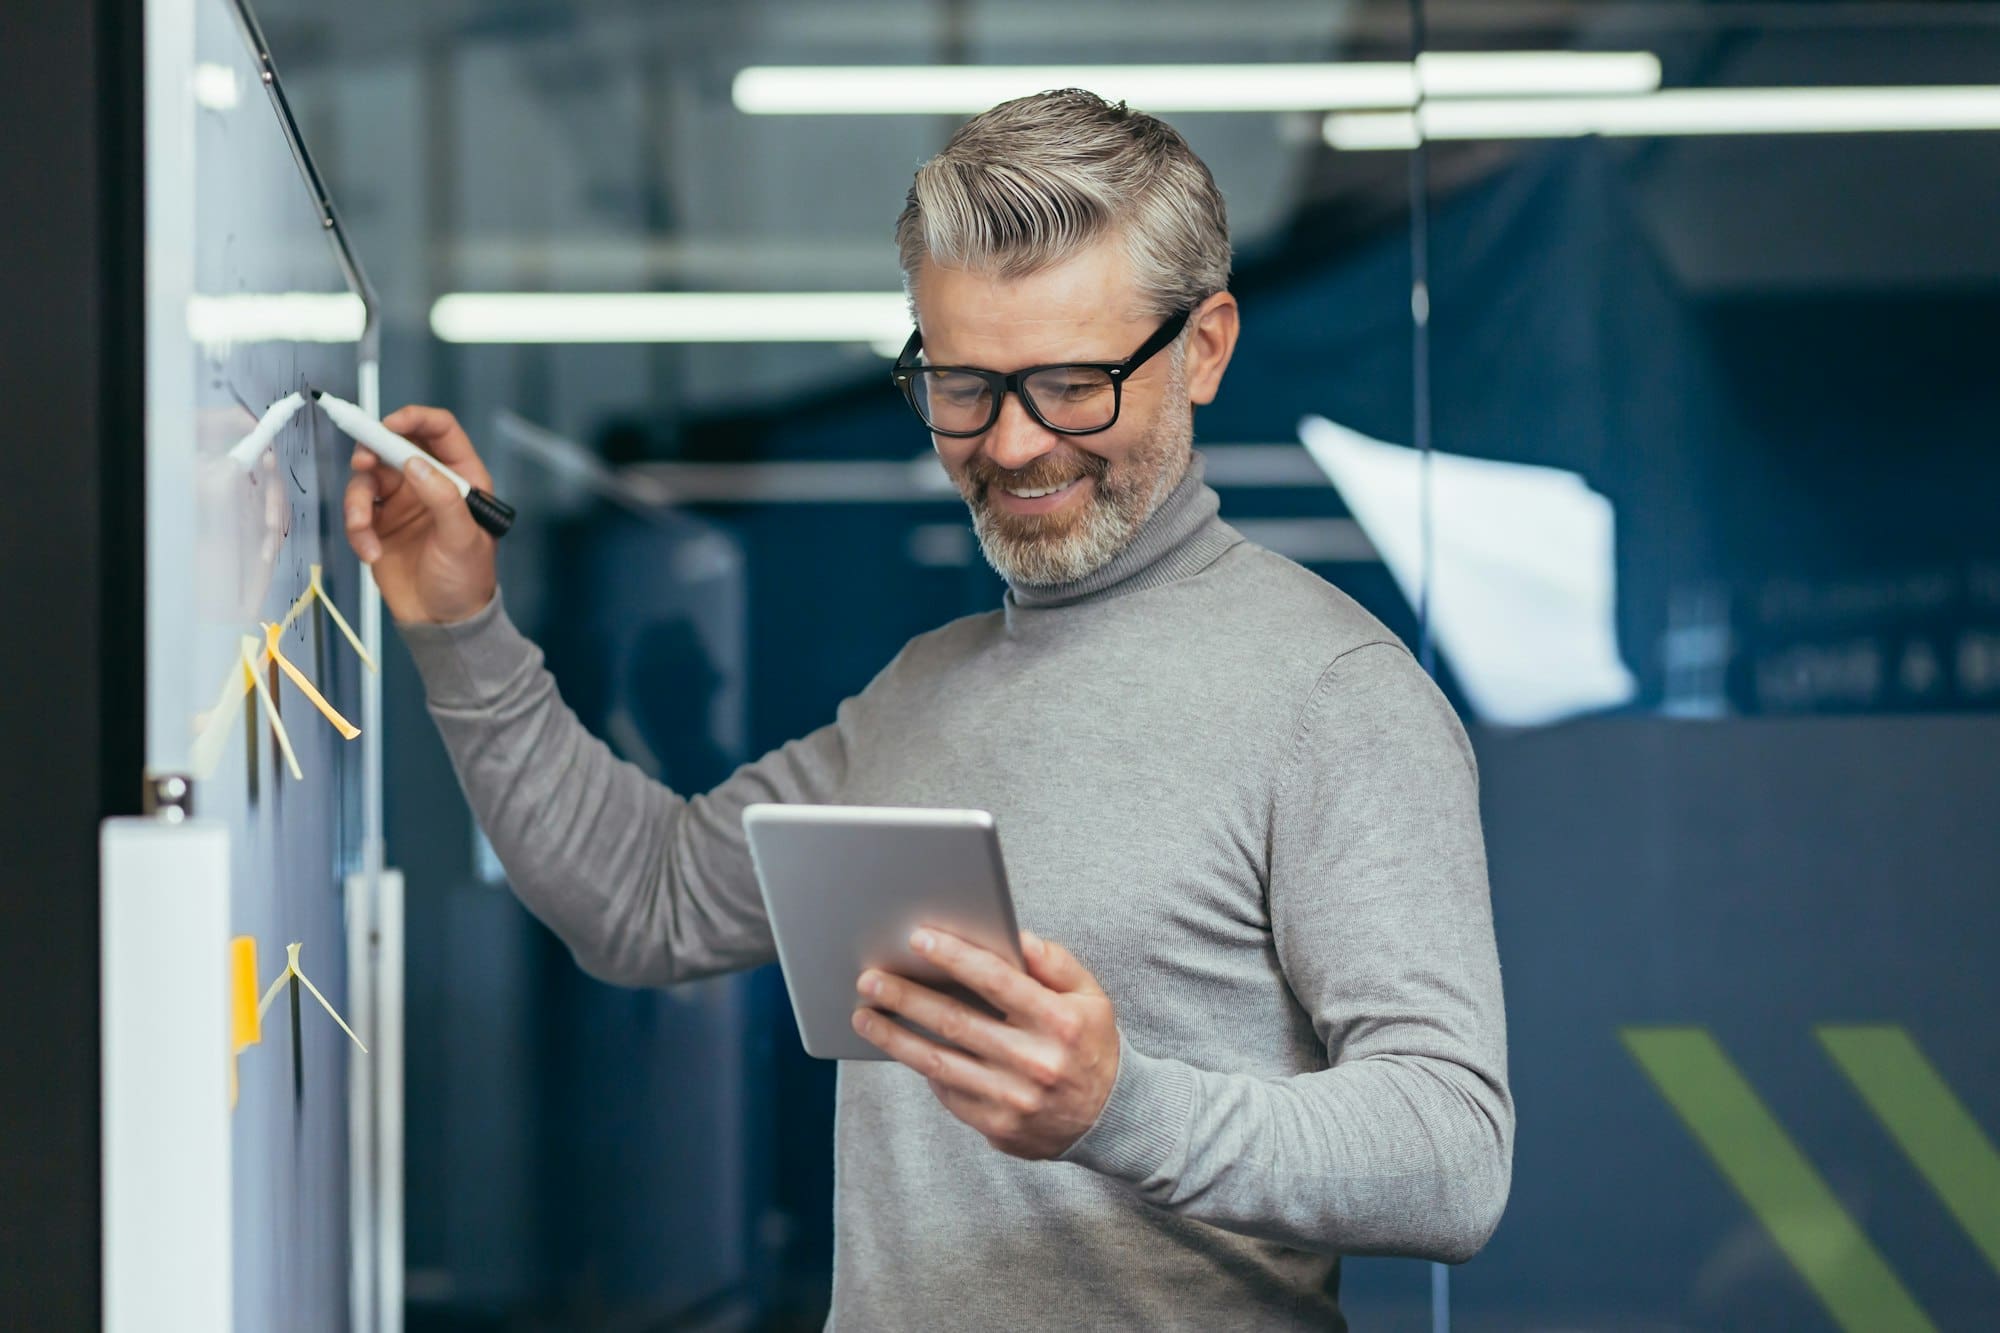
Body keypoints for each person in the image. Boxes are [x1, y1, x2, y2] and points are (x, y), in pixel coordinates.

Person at [345, 88, 1511, 1331]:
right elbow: (647, 900)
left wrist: (1120, 1108)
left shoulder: (1334, 695)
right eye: (961, 384)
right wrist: (457, 622)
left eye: (1070, 383)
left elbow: (1450, 1150)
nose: (1009, 446)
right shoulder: (922, 690)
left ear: (1205, 347)